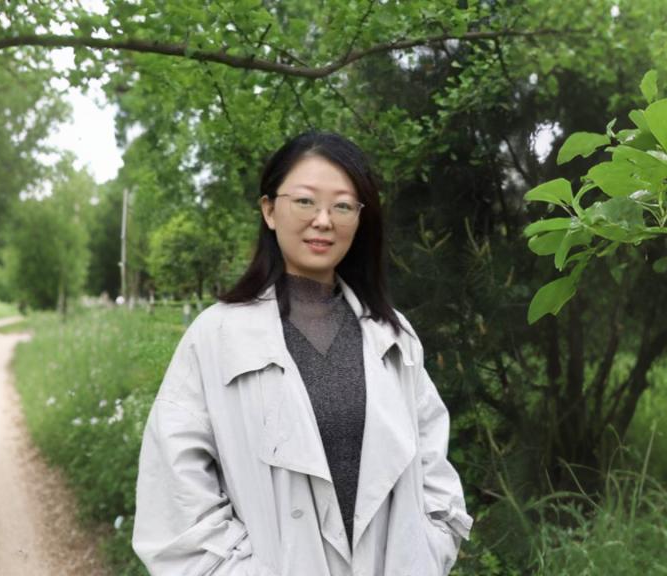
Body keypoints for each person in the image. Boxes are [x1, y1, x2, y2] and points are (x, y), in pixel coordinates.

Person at [132, 131, 472, 576]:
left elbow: (434, 471)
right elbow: (174, 494)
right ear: (270, 210)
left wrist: (428, 550)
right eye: (305, 201)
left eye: (343, 206)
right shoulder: (216, 338)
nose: (323, 220)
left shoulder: (393, 338)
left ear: (360, 219)